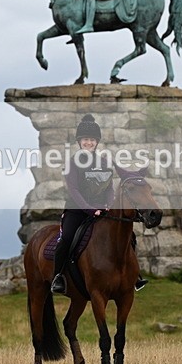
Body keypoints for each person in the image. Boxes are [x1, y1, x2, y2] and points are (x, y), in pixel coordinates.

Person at [51, 114, 113, 294]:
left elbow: (110, 188)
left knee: (126, 235)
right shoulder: (72, 163)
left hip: (101, 210)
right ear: (79, 141)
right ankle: (58, 277)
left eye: (92, 140)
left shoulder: (104, 162)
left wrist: (108, 205)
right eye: (86, 139)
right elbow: (74, 190)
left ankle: (133, 276)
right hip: (77, 211)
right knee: (67, 238)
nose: (89, 143)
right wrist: (89, 209)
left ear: (97, 142)